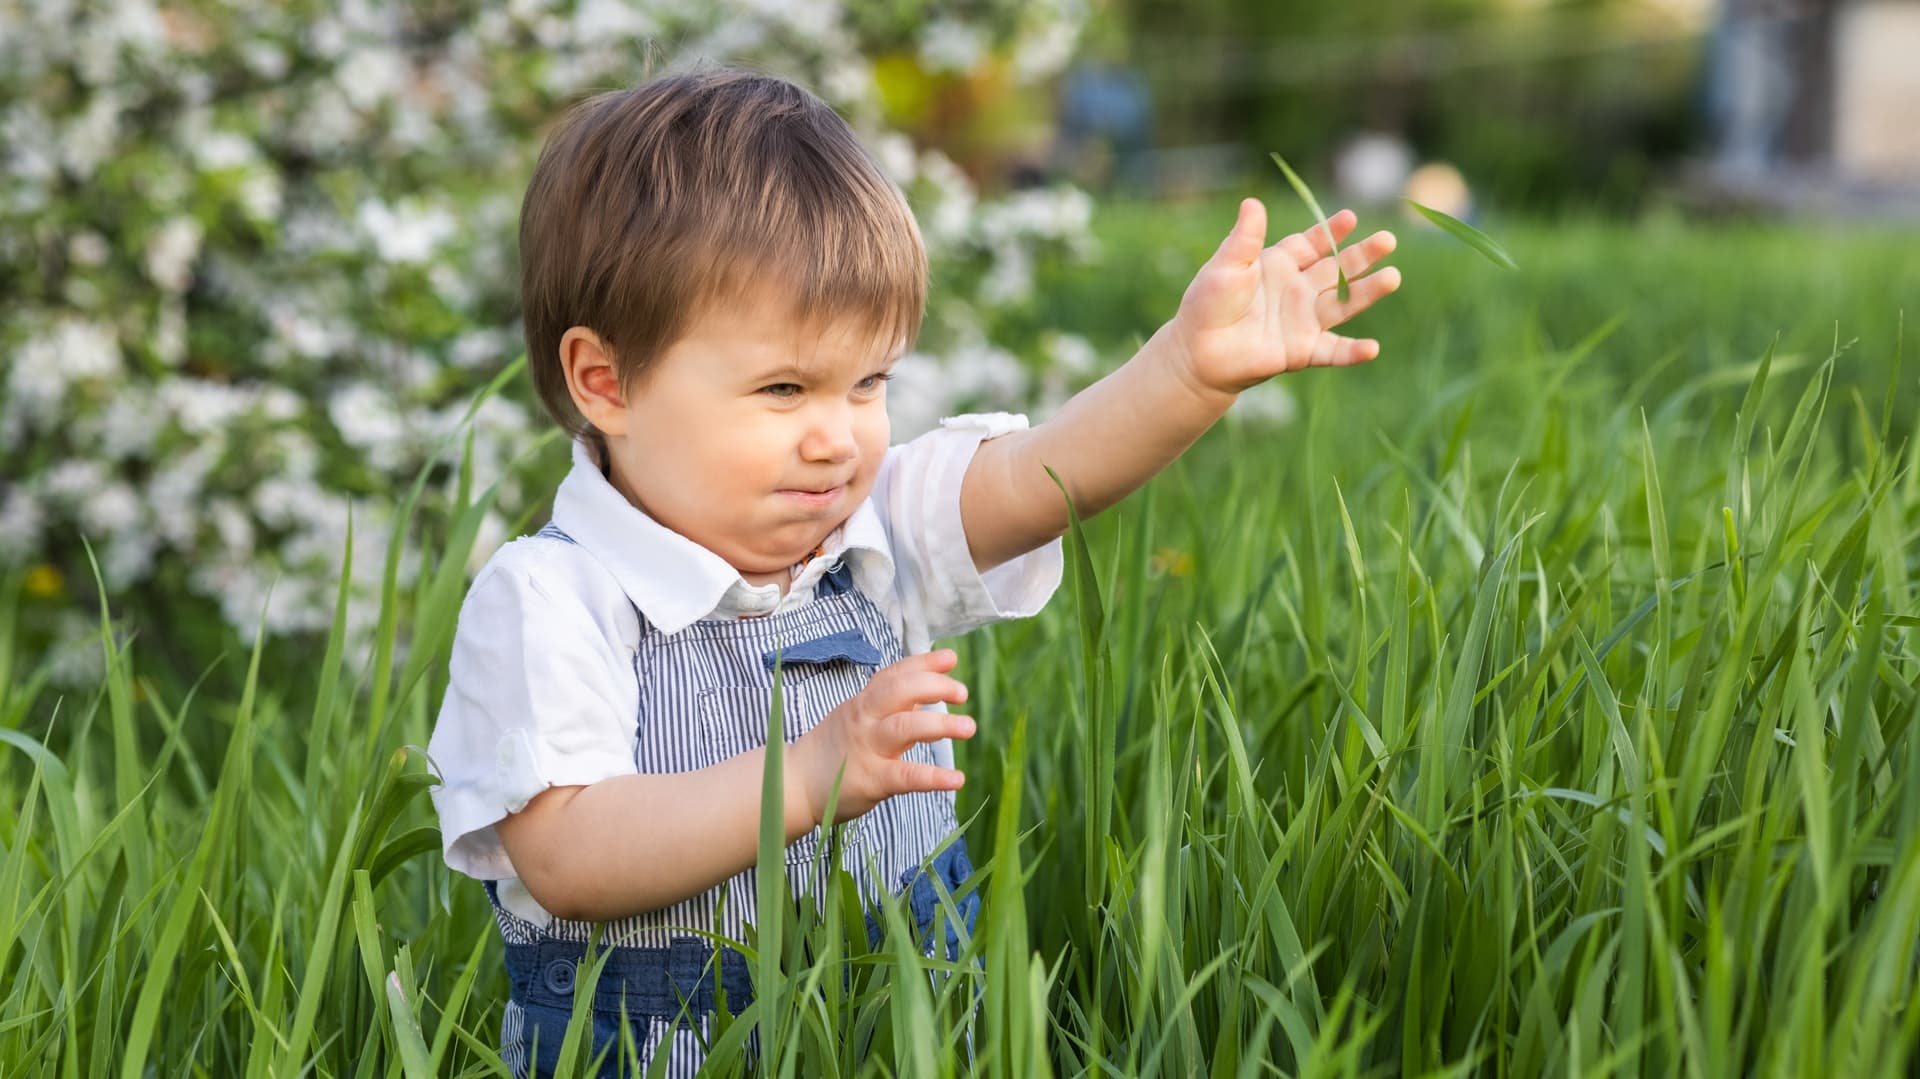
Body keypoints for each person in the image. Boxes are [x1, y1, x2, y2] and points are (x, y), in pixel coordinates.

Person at [425, 65, 1401, 1078]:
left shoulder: (873, 523)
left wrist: (1187, 373)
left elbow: (1043, 476)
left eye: (868, 382)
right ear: (606, 380)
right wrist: (804, 775)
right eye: (783, 387)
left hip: (900, 1034)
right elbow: (569, 853)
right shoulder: (552, 599)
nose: (837, 438)